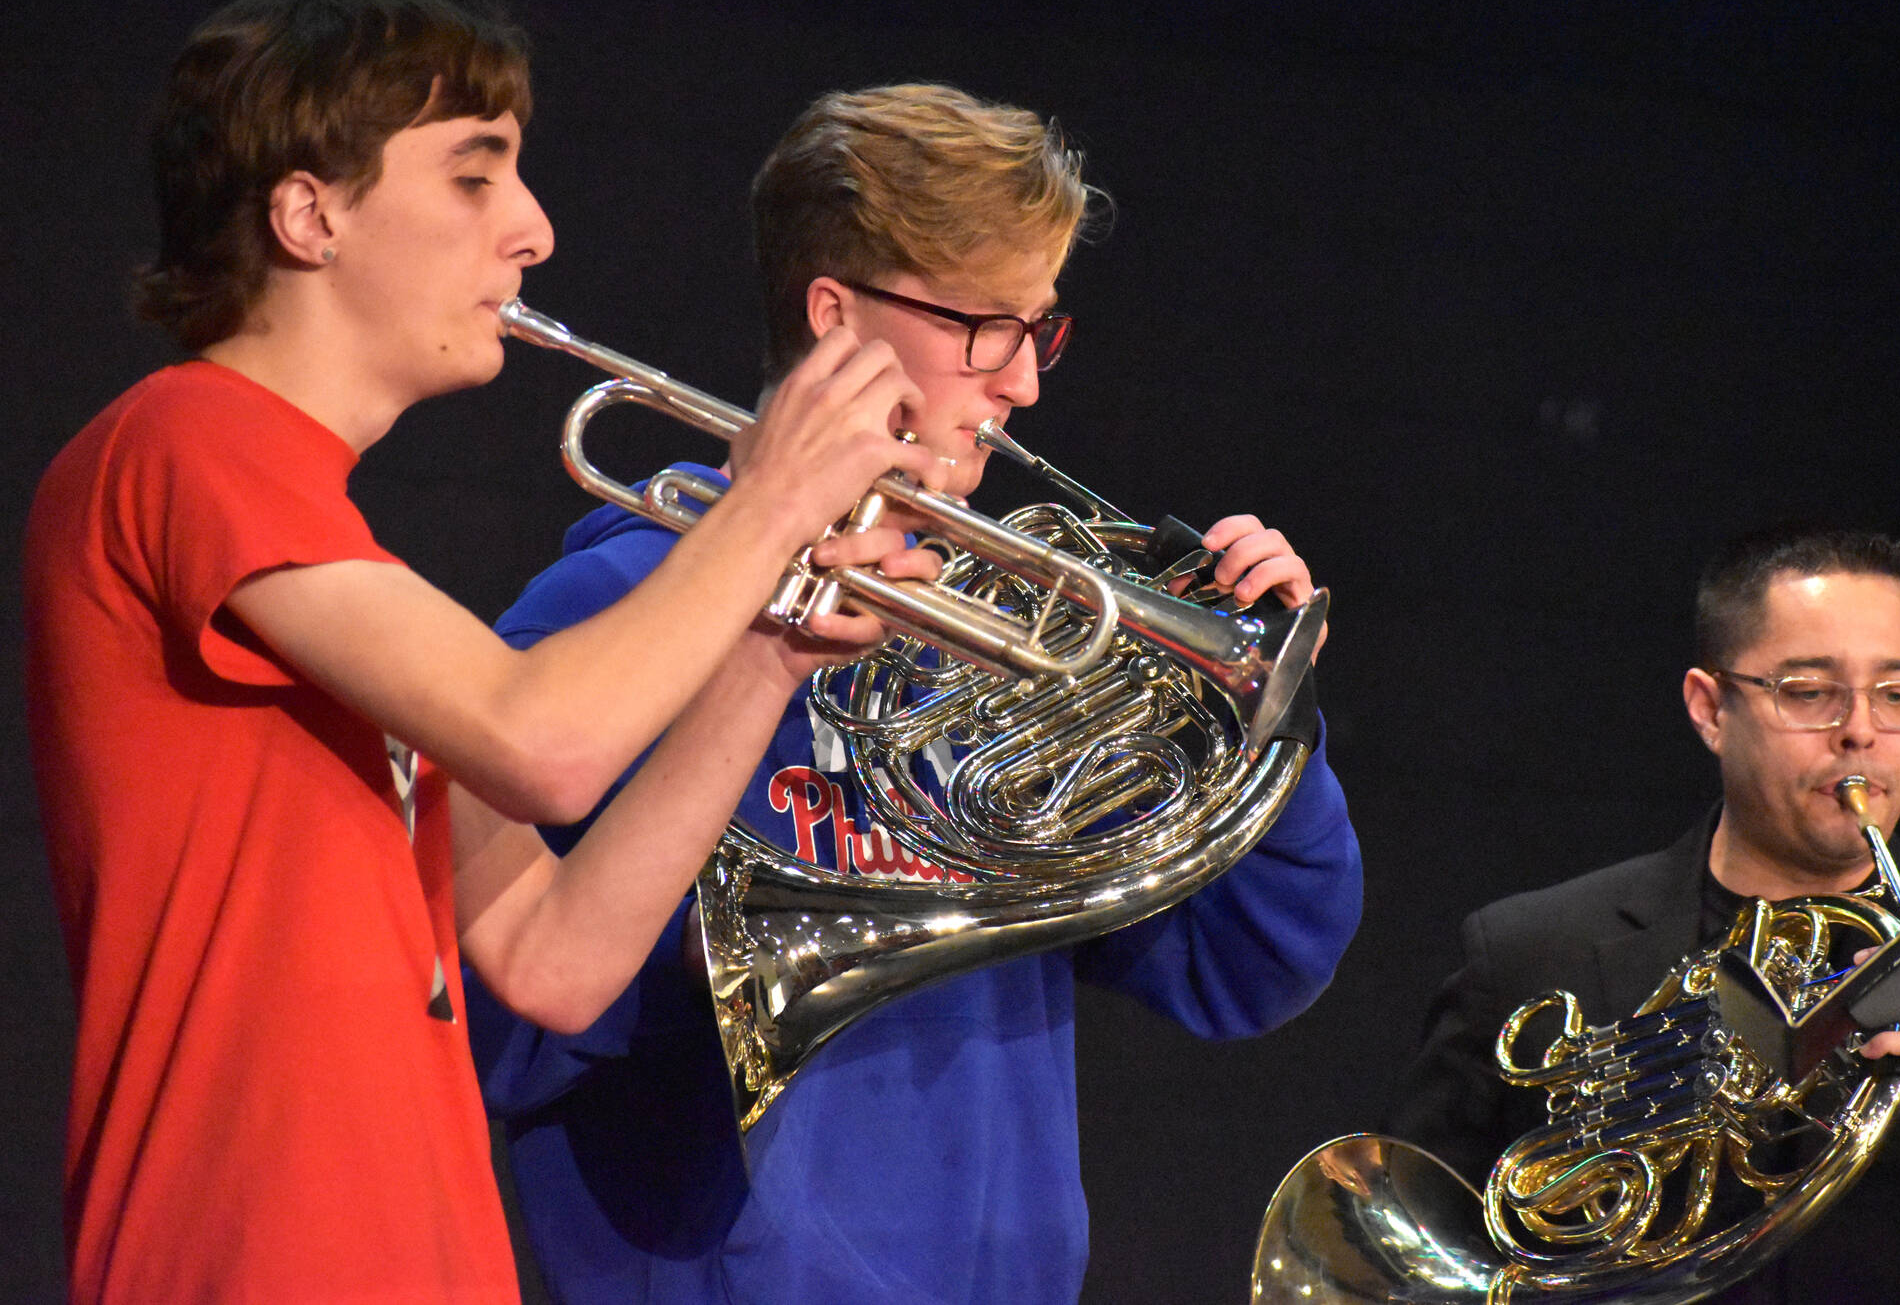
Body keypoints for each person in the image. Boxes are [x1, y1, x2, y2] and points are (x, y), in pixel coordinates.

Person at [22, 0, 941, 1303]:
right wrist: (771, 501)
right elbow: (547, 743)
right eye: (473, 176)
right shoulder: (190, 441)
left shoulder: (334, 576)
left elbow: (560, 958)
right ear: (308, 213)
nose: (534, 231)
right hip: (250, 1257)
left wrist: (771, 656)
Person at [466, 83, 1364, 1304]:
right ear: (835, 316)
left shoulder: (1011, 635)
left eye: (1036, 330)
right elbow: (501, 1017)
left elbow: (1247, 964)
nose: (1022, 386)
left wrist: (1253, 704)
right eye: (983, 330)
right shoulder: (606, 610)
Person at [1387, 526, 1900, 1304]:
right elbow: (1414, 1255)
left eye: (1898, 695)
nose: (1861, 731)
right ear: (1710, 708)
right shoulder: (1533, 951)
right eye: (1810, 692)